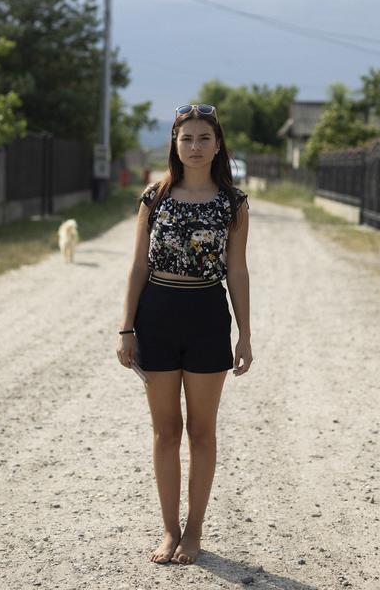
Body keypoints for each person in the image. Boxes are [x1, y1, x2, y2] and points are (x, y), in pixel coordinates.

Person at [115, 103, 253, 565]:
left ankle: (195, 531)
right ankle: (169, 531)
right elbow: (137, 266)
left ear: (218, 146)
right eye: (187, 138)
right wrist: (126, 327)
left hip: (208, 316)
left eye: (204, 139)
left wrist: (246, 335)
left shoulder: (233, 203)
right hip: (157, 315)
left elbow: (237, 269)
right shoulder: (154, 196)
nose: (195, 147)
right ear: (174, 143)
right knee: (165, 432)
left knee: (202, 431)